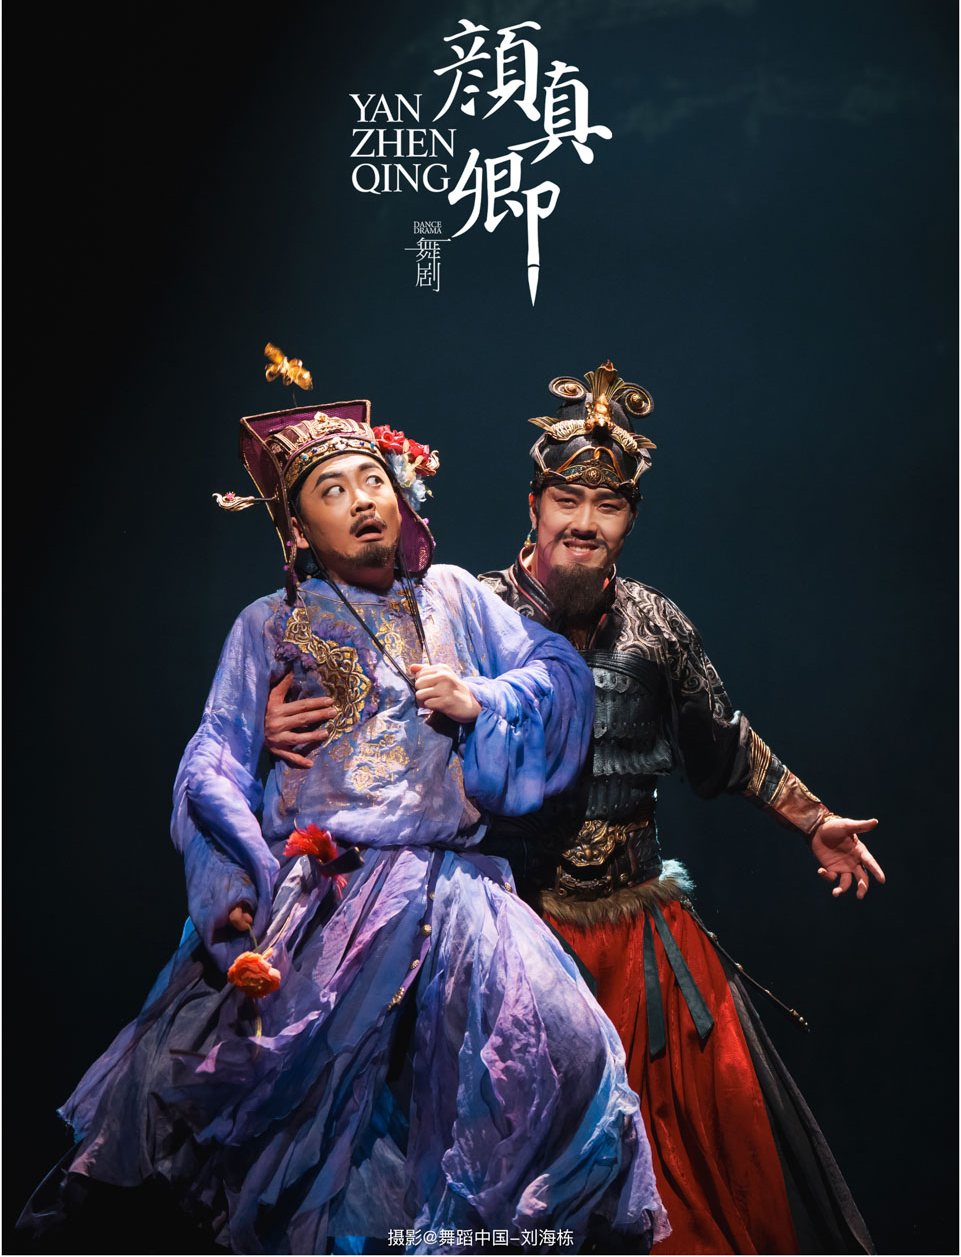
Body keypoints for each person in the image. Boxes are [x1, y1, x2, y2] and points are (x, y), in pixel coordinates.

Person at [20, 355, 669, 1255]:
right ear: (296, 527)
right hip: (324, 892)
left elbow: (557, 673)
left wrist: (482, 699)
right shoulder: (268, 622)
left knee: (562, 1051)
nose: (363, 500)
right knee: (296, 1124)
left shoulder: (452, 596)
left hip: (453, 891)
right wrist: (231, 870)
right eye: (333, 491)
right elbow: (212, 756)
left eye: (373, 480)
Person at [266, 360, 883, 1256]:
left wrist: (814, 820)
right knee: (499, 1185)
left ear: (630, 520)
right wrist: (276, 727)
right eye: (567, 499)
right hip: (504, 938)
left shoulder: (657, 627)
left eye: (609, 506)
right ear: (533, 505)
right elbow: (370, 729)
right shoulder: (462, 611)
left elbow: (725, 741)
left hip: (641, 942)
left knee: (692, 1182)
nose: (585, 522)